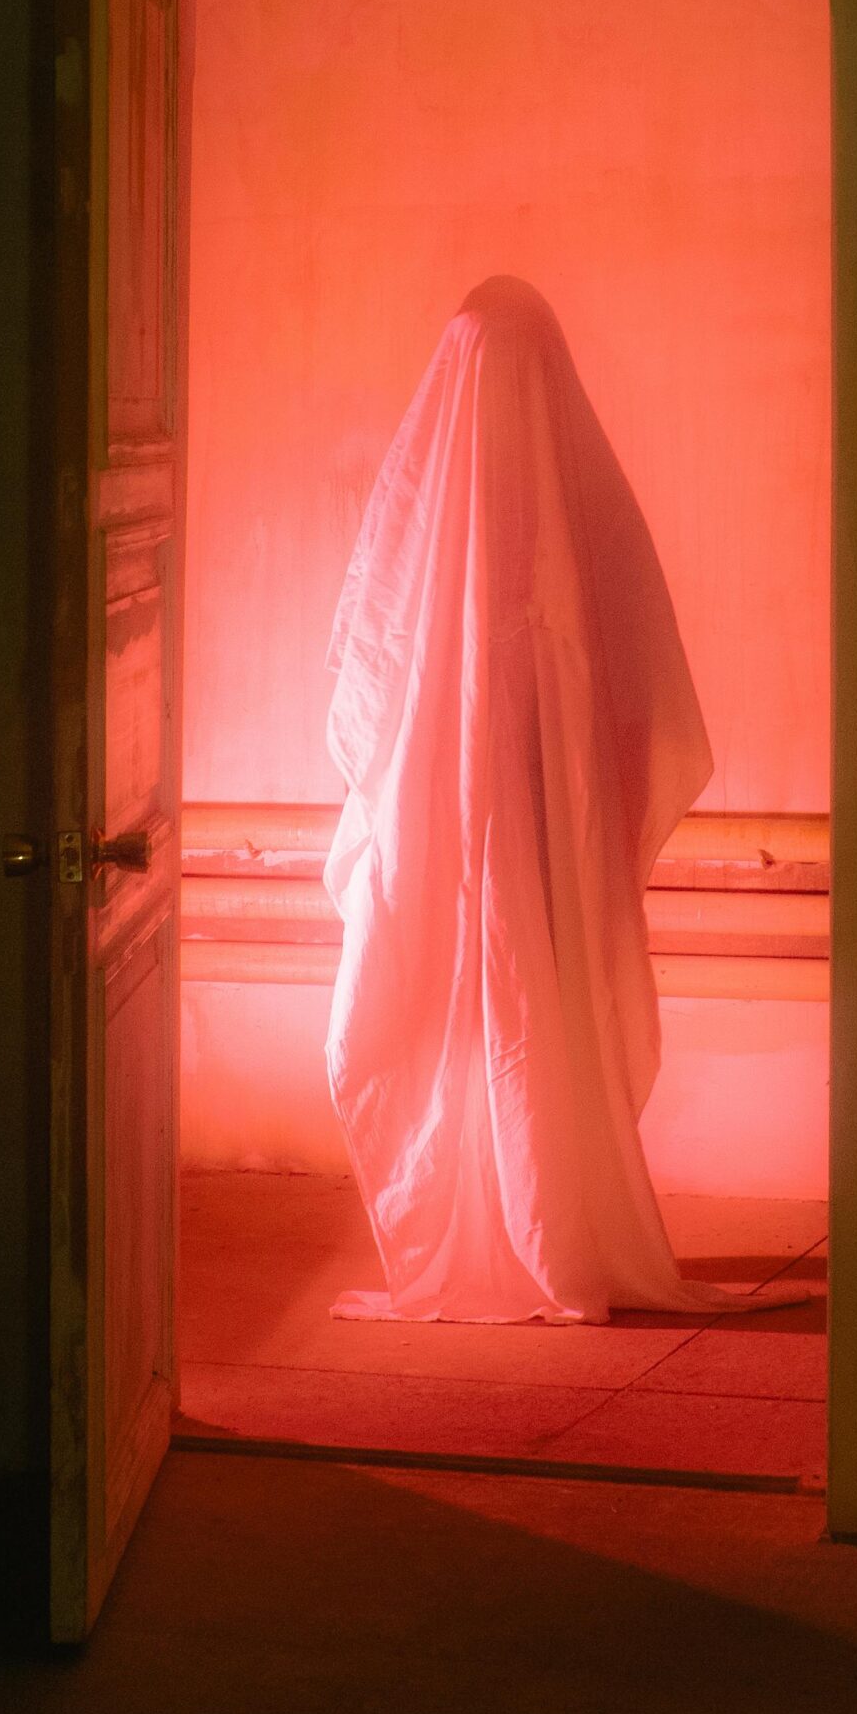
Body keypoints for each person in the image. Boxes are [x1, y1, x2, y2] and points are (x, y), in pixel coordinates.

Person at [323, 276, 803, 1323]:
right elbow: (387, 668)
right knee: (493, 990)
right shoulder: (453, 519)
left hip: (526, 805)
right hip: (461, 810)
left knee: (525, 989)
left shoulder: (550, 511)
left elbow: (619, 671)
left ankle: (539, 1208)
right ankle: (523, 1207)